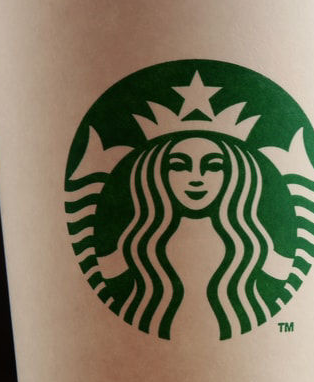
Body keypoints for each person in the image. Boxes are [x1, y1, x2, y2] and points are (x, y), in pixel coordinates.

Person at [93, 130, 295, 340]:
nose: (196, 178)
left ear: (232, 176)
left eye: (213, 166)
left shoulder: (251, 240)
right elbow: (104, 272)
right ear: (159, 175)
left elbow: (284, 275)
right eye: (179, 166)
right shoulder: (139, 240)